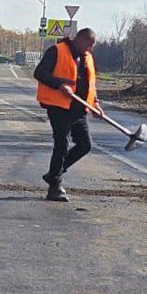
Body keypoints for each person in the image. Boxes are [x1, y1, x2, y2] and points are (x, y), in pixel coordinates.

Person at [34, 27, 101, 202]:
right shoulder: (57, 51)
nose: (90, 49)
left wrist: (95, 104)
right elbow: (39, 72)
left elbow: (90, 84)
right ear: (80, 39)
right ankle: (54, 187)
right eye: (89, 44)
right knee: (62, 144)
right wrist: (59, 85)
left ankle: (53, 174)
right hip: (59, 106)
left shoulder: (87, 58)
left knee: (85, 145)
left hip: (79, 109)